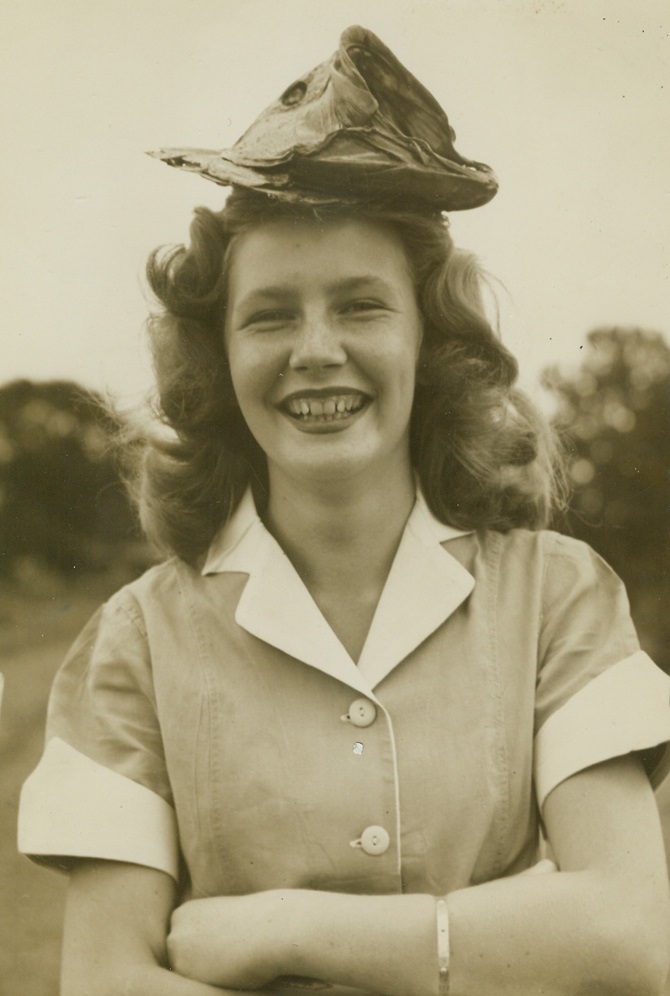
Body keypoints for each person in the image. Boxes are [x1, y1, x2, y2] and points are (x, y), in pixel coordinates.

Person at [18, 25, 670, 996]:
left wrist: (286, 931)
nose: (314, 349)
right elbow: (105, 979)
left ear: (428, 340)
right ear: (217, 359)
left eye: (361, 306)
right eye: (270, 314)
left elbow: (629, 936)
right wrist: (505, 938)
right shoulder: (137, 642)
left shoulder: (555, 598)